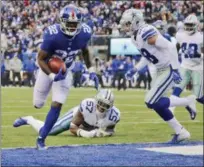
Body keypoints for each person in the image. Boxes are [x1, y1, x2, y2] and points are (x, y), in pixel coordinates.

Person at [120, 9, 197, 143]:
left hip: (168, 68)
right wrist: (135, 69)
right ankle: (181, 131)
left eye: (128, 24)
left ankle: (187, 102)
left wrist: (174, 69)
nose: (126, 27)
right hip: (160, 69)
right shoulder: (134, 37)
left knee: (151, 101)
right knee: (156, 104)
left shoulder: (145, 32)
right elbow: (147, 56)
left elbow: (171, 47)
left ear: (136, 22)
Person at [33, 5, 98, 150]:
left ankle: (41, 139)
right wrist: (51, 75)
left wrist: (92, 70)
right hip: (47, 70)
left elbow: (85, 51)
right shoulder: (52, 34)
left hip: (65, 71)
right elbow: (41, 59)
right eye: (69, 23)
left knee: (57, 103)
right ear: (62, 21)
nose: (72, 27)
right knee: (38, 104)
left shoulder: (84, 33)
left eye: (75, 24)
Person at [13, 89, 120, 138]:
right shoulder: (87, 106)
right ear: (96, 100)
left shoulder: (114, 115)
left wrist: (105, 134)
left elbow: (110, 130)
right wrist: (85, 134)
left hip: (89, 125)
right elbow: (73, 127)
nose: (102, 107)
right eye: (100, 103)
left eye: (105, 105)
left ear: (110, 106)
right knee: (48, 132)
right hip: (76, 118)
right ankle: (29, 119)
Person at [170, 14, 203, 118]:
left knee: (198, 97)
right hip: (185, 66)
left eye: (190, 25)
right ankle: (171, 111)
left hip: (198, 67)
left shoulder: (201, 37)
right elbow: (176, 48)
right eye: (187, 24)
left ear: (196, 25)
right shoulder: (180, 35)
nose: (188, 27)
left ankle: (189, 104)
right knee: (176, 91)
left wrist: (200, 55)